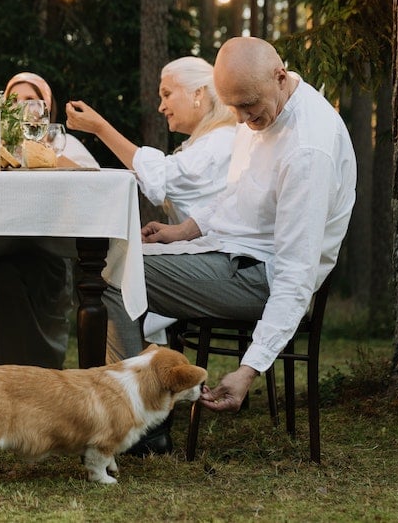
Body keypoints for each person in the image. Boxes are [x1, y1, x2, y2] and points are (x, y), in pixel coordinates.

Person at [101, 37, 357, 455]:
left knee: (117, 273)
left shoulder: (307, 150)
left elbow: (295, 276)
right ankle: (141, 413)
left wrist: (249, 368)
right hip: (233, 254)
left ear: (279, 76)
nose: (240, 119)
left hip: (263, 277)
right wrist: (183, 230)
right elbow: (236, 195)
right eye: (232, 107)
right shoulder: (260, 110)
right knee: (121, 257)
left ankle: (136, 426)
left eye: (248, 106)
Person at [65, 57, 237, 344]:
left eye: (167, 94)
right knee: (115, 261)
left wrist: (100, 128)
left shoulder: (221, 141)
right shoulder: (206, 141)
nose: (161, 106)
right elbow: (153, 176)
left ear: (198, 93)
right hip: (205, 253)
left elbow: (164, 176)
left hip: (222, 263)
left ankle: (125, 379)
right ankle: (132, 372)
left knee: (117, 270)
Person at [0, 72, 99, 373]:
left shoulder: (65, 146)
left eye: (33, 100)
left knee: (9, 277)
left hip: (48, 254)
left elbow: (94, 185)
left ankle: (30, 384)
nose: (24, 108)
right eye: (15, 100)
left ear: (47, 109)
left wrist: (47, 158)